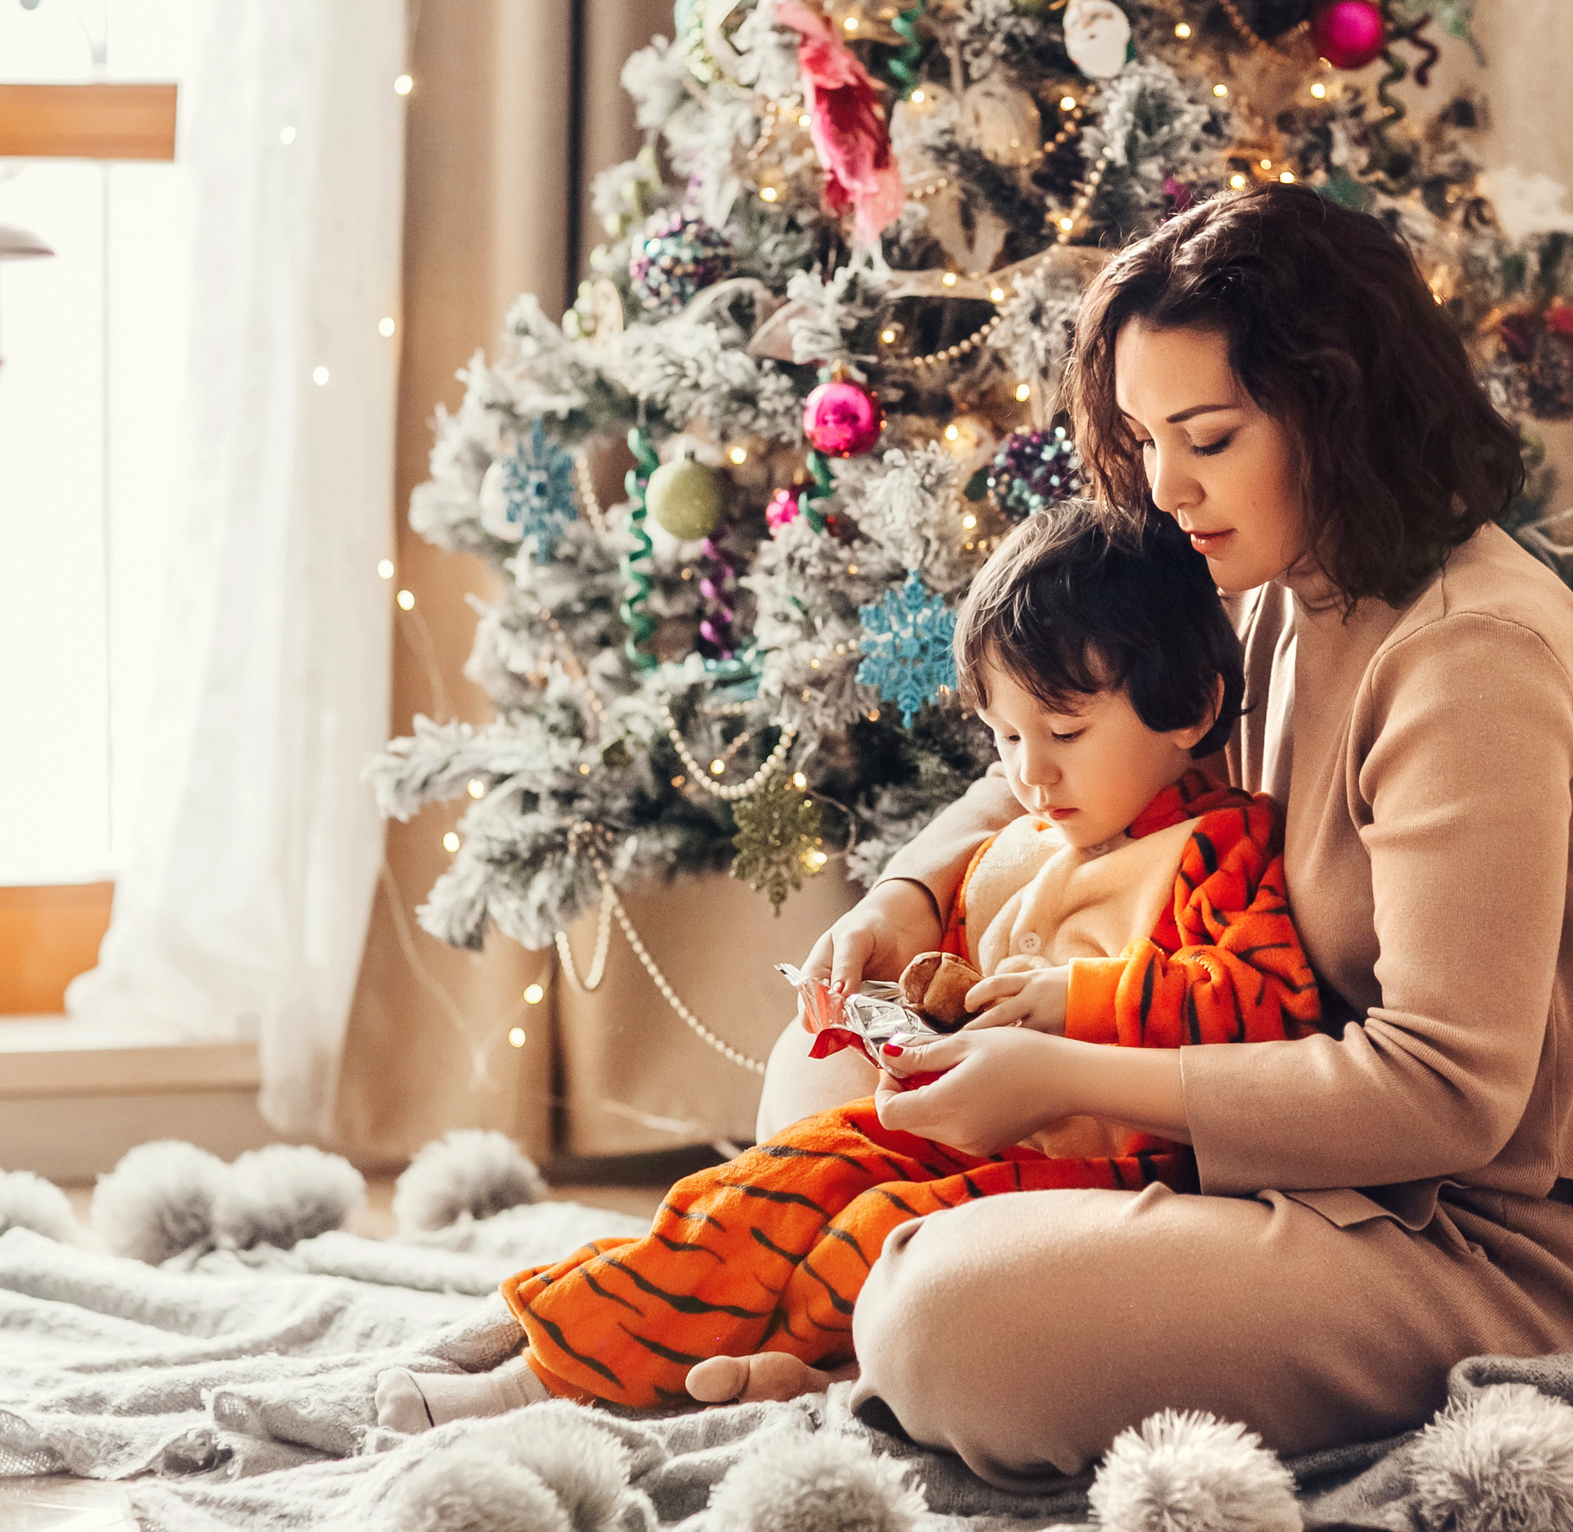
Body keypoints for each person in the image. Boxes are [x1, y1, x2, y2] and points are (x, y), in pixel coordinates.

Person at [690, 183, 1573, 1491]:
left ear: (1340, 410)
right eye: (1141, 436)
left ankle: (872, 1354)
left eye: (1208, 437)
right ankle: (864, 1354)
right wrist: (906, 895)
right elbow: (1083, 749)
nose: (1165, 487)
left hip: (1486, 1246)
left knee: (947, 1315)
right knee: (826, 1068)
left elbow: (1450, 1094)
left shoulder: (1473, 655)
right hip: (1277, 1170)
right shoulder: (1265, 579)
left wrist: (1064, 1072)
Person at [373, 500, 1320, 1430]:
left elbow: (1269, 1002)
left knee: (871, 1237)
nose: (1031, 774)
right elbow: (966, 975)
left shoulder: (1220, 846)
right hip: (969, 1137)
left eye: (1065, 733)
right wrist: (902, 1013)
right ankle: (553, 1353)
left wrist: (1079, 999)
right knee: (767, 1189)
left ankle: (711, 1371)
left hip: (1116, 1180)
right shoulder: (1029, 841)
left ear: (1191, 709)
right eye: (1005, 736)